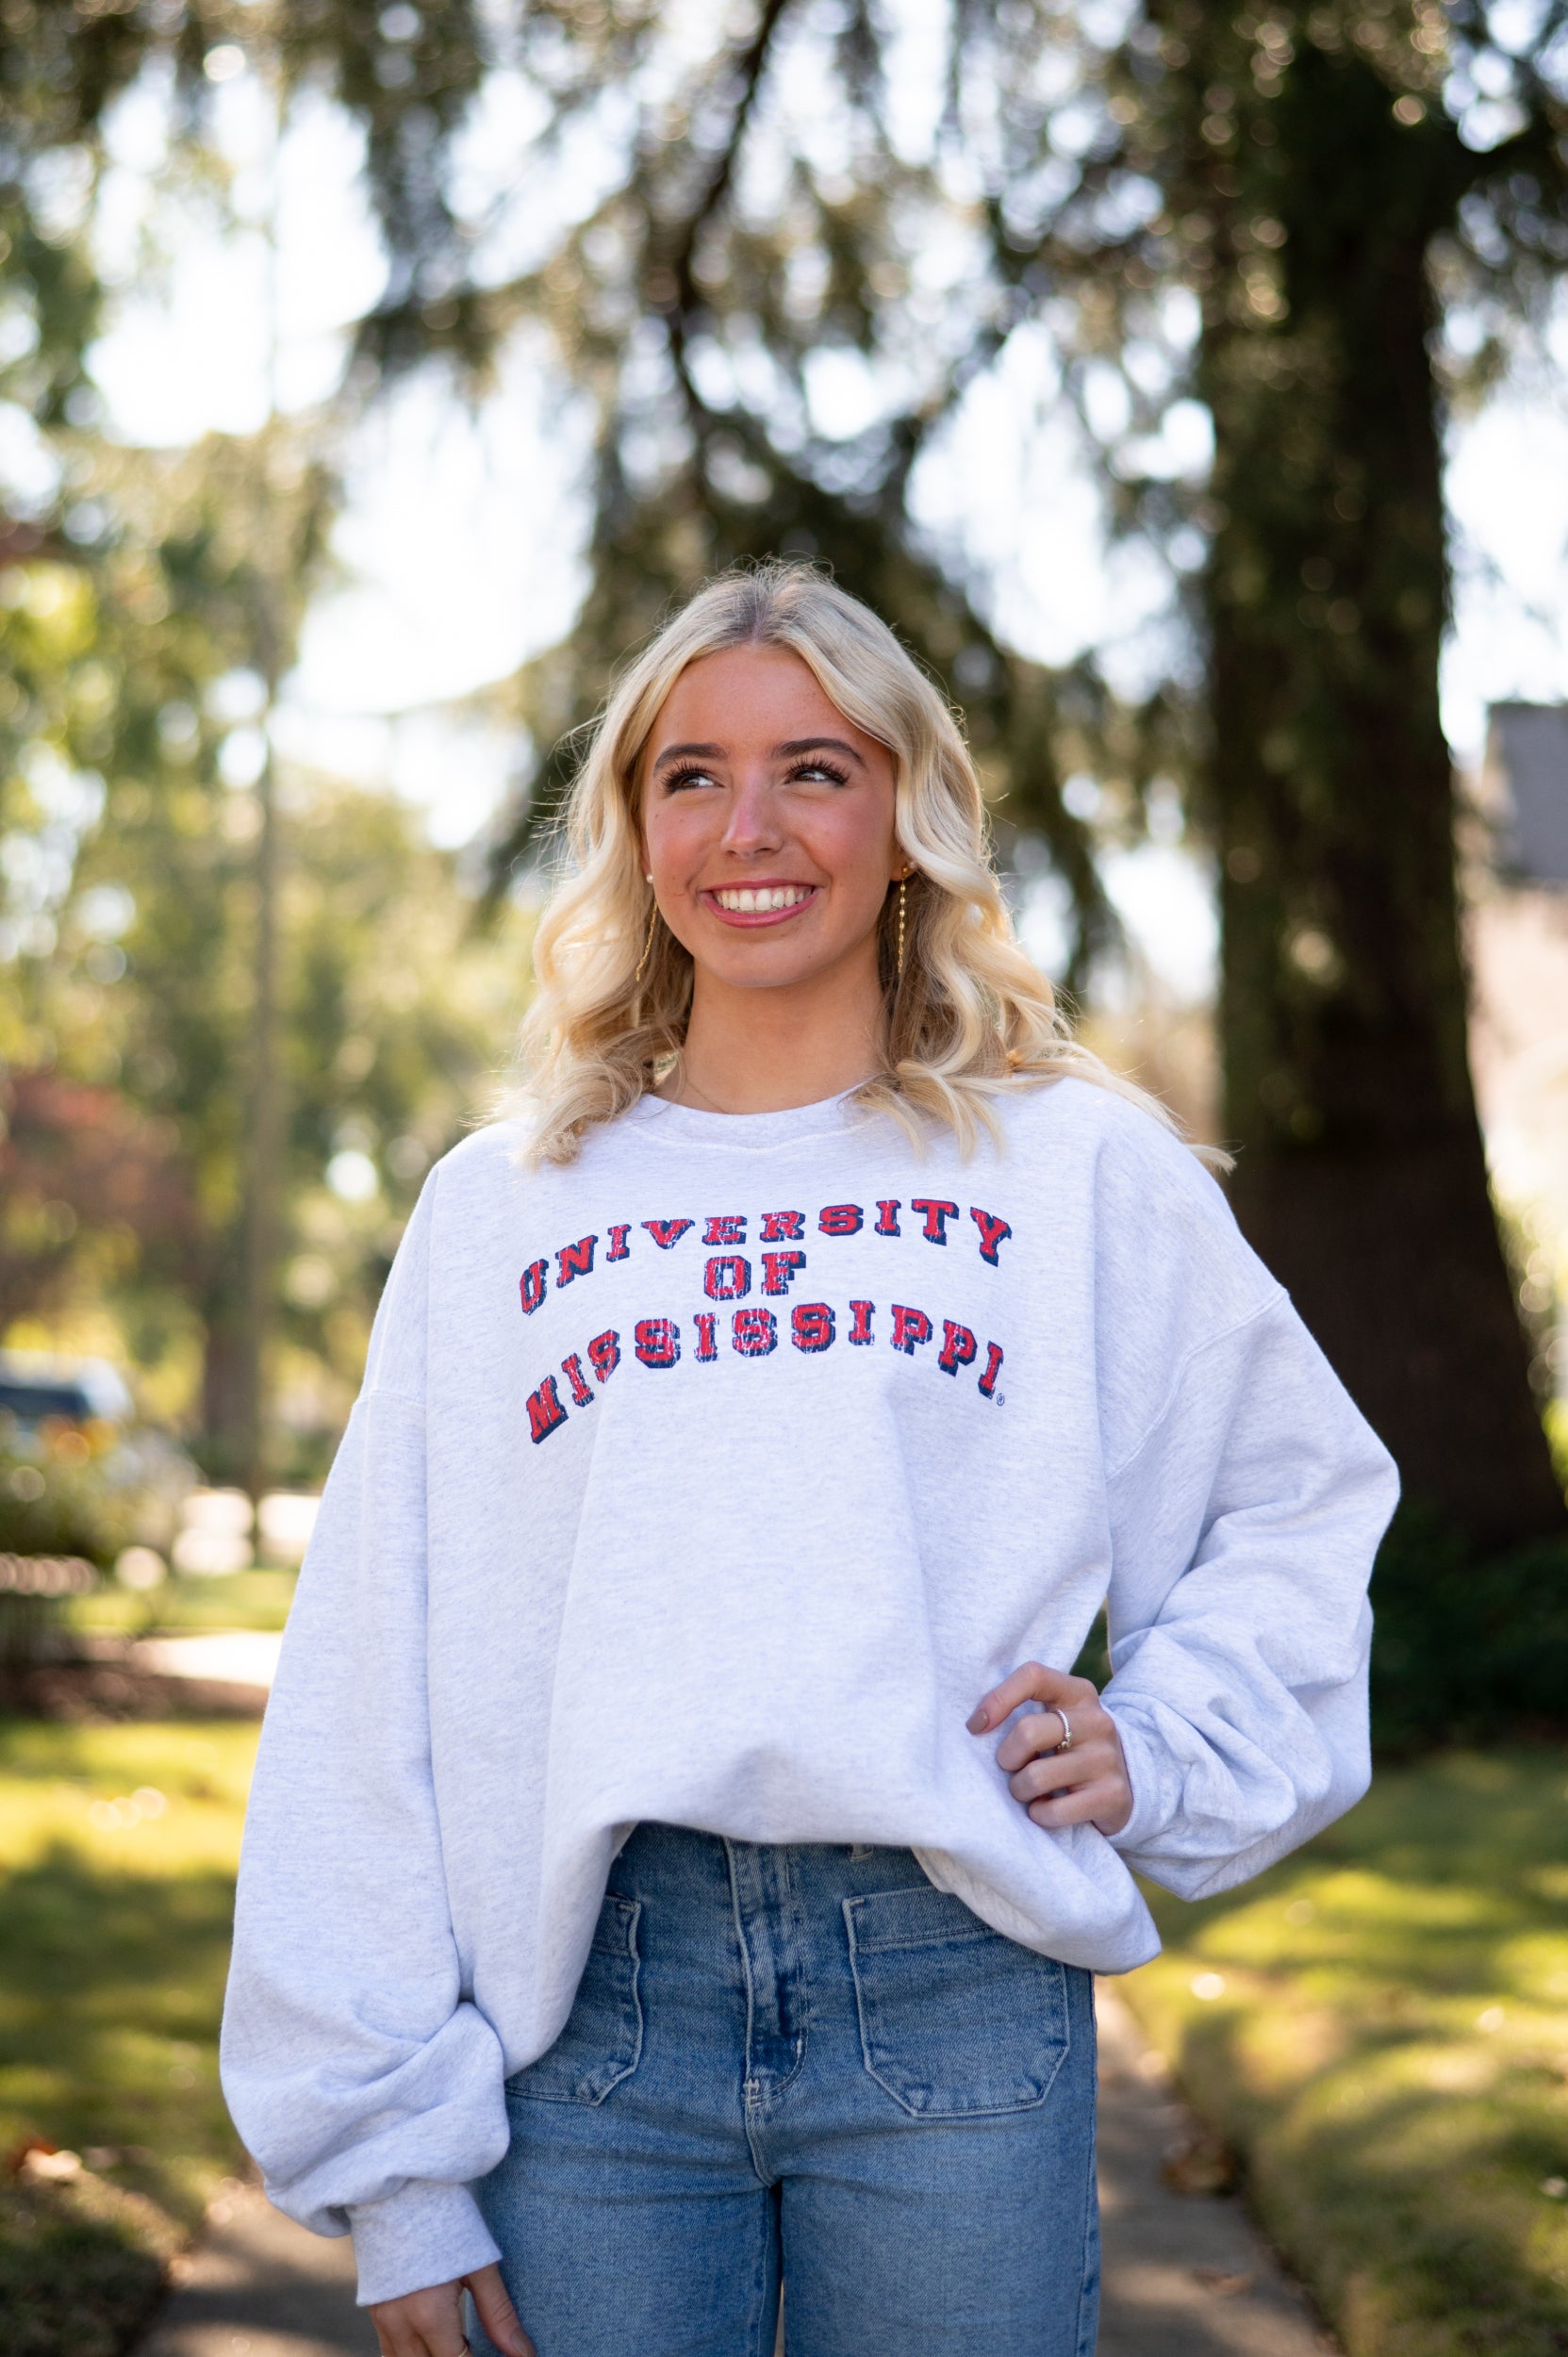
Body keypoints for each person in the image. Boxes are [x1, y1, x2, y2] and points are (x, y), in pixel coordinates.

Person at [221, 562, 1397, 2357]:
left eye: (814, 770)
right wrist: (394, 2166)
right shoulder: (500, 1208)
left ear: (906, 817)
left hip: (950, 1987)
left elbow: (1295, 1489)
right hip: (586, 2025)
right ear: (632, 826)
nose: (746, 827)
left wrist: (1163, 1746)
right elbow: (371, 1675)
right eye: (689, 774)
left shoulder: (1065, 1165)